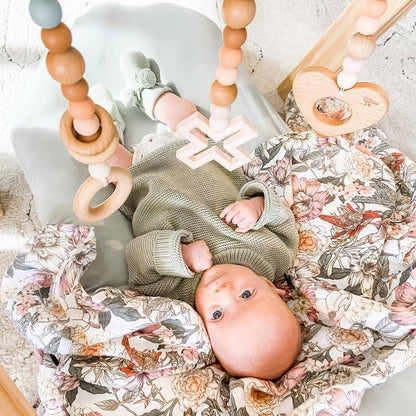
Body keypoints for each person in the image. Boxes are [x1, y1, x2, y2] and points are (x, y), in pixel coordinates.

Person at [102, 51, 301, 380]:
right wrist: (256, 207)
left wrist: (178, 254)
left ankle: (105, 124)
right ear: (270, 285)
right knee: (184, 113)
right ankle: (147, 91)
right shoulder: (273, 255)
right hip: (197, 150)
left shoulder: (178, 296)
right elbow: (284, 219)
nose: (223, 290)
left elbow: (138, 260)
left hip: (140, 179)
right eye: (247, 294)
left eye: (218, 314)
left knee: (104, 162)